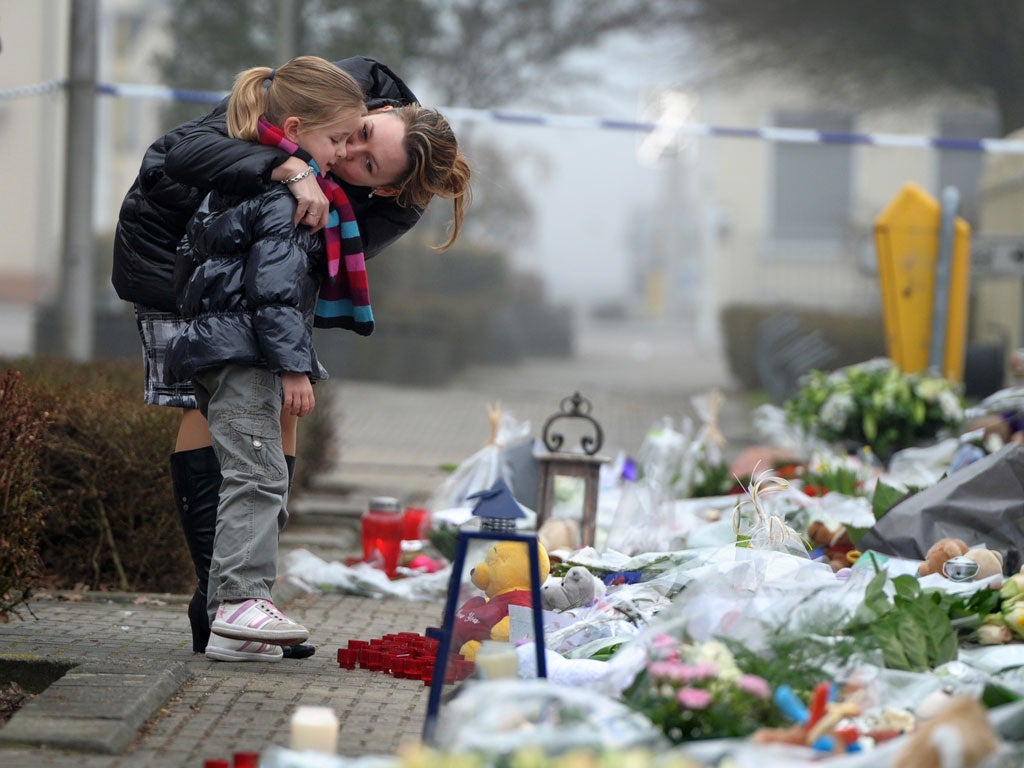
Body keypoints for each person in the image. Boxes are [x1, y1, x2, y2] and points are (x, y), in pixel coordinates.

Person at [112, 56, 471, 662]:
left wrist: (292, 357)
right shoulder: (336, 92)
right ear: (378, 109)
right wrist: (289, 166)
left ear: (383, 186)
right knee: (219, 407)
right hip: (170, 246)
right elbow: (180, 153)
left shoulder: (392, 200)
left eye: (365, 161)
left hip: (248, 260)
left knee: (278, 411)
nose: (351, 149)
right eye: (355, 136)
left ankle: (239, 600)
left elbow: (301, 271)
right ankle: (225, 600)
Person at [162, 54, 373, 662]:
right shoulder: (287, 199)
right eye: (336, 139)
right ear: (300, 124)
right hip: (248, 355)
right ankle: (238, 602)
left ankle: (237, 634)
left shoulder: (238, 182)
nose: (340, 153)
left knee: (249, 476)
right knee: (257, 477)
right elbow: (275, 294)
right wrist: (293, 366)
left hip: (215, 346)